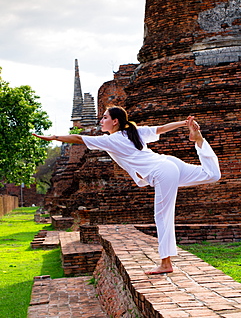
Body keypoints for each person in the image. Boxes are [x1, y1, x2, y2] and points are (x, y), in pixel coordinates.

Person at [33, 106, 221, 274]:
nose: (101, 121)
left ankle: (166, 263)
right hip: (169, 163)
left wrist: (54, 137)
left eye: (105, 117)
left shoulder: (112, 139)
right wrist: (184, 122)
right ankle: (199, 141)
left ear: (115, 121)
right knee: (212, 175)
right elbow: (161, 128)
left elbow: (79, 138)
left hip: (162, 171)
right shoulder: (134, 132)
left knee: (162, 217)